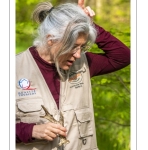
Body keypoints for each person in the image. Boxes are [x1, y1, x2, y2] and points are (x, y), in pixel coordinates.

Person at [16, 0, 130, 150]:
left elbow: (123, 56)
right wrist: (30, 130)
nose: (78, 54)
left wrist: (88, 24)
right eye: (73, 46)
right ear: (51, 40)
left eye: (81, 46)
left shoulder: (84, 64)